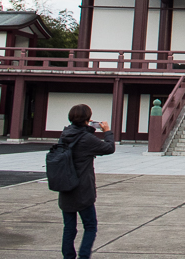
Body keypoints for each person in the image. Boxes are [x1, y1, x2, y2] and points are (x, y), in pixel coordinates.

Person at [58, 104, 115, 259]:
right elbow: (109, 148)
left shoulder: (65, 135)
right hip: (82, 189)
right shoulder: (86, 138)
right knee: (90, 226)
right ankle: (84, 256)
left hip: (65, 186)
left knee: (69, 228)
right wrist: (107, 131)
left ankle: (68, 256)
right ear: (87, 120)